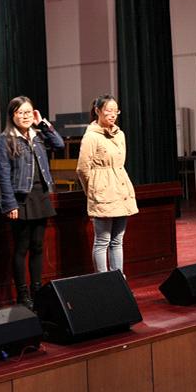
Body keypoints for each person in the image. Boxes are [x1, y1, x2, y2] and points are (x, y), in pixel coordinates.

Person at [0, 96, 64, 310]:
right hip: (21, 198)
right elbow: (3, 174)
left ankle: (37, 291)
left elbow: (59, 144)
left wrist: (41, 122)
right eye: (21, 112)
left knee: (37, 247)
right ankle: (22, 294)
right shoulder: (5, 139)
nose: (25, 116)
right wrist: (10, 204)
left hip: (40, 195)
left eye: (29, 112)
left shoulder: (38, 135)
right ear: (12, 115)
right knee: (21, 248)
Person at [76, 94, 138, 275]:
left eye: (115, 111)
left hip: (120, 189)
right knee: (102, 241)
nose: (113, 115)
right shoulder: (91, 136)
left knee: (117, 240)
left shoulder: (120, 134)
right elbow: (82, 169)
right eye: (108, 110)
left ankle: (118, 279)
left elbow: (121, 163)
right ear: (98, 111)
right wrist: (92, 190)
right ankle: (103, 281)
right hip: (102, 192)